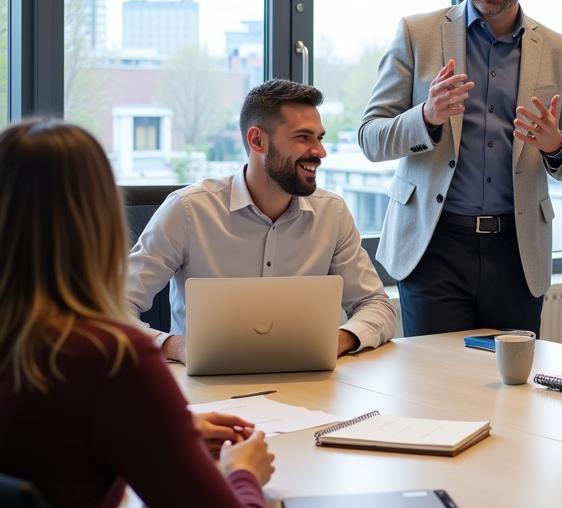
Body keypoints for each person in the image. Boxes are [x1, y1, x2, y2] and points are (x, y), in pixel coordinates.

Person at [0, 119, 276, 508]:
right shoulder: (110, 359)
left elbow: (44, 437)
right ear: (100, 223)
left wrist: (168, 429)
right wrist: (242, 475)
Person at [358, 0, 562, 337]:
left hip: (517, 250)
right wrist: (426, 117)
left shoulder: (561, 51)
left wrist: (554, 144)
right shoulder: (418, 34)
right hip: (433, 245)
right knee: (433, 391)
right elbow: (371, 138)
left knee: (509, 394)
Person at [127, 78, 397, 362]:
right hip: (207, 387)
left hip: (310, 383)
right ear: (257, 140)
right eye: (303, 137)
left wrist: (339, 340)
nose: (319, 151)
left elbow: (376, 305)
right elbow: (111, 308)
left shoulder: (332, 213)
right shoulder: (188, 210)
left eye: (320, 137)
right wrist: (173, 346)